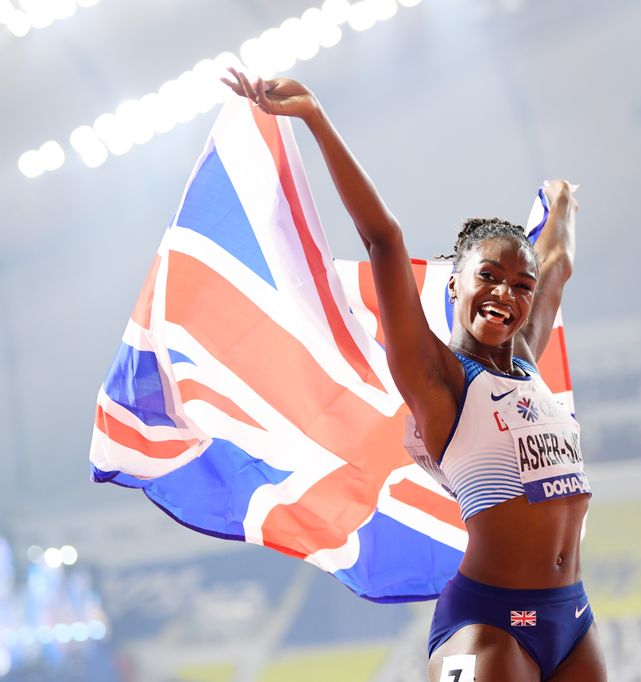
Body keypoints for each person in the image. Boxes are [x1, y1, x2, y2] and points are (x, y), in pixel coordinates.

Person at [223, 70, 606, 681]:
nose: (505, 294)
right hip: (491, 621)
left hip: (571, 613)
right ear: (454, 280)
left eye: (519, 286)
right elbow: (383, 238)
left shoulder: (528, 363)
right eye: (489, 277)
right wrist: (316, 118)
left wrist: (561, 201)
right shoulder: (438, 376)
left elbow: (555, 264)